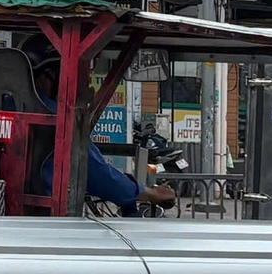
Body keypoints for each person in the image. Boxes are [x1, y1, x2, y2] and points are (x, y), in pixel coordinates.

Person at [23, 36, 175, 217]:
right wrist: (149, 193)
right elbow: (99, 176)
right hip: (47, 221)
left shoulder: (3, 107)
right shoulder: (56, 120)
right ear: (51, 75)